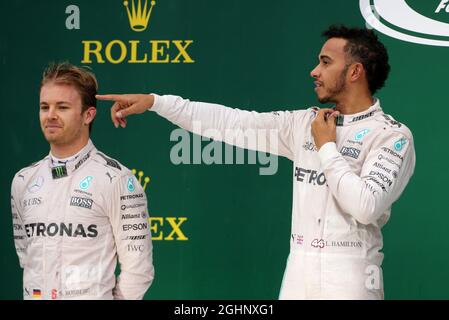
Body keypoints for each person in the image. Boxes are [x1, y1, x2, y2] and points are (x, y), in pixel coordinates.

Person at [97, 25, 416, 299]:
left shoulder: (392, 136)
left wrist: (326, 149)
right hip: (298, 271)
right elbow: (230, 123)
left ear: (355, 72)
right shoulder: (303, 124)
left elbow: (366, 206)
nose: (314, 71)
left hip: (351, 274)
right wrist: (157, 102)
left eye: (325, 62)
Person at [11, 62, 154, 300]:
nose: (51, 115)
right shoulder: (23, 180)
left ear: (88, 114)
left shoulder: (116, 179)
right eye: (44, 107)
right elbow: (27, 257)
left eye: (63, 107)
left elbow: (139, 270)